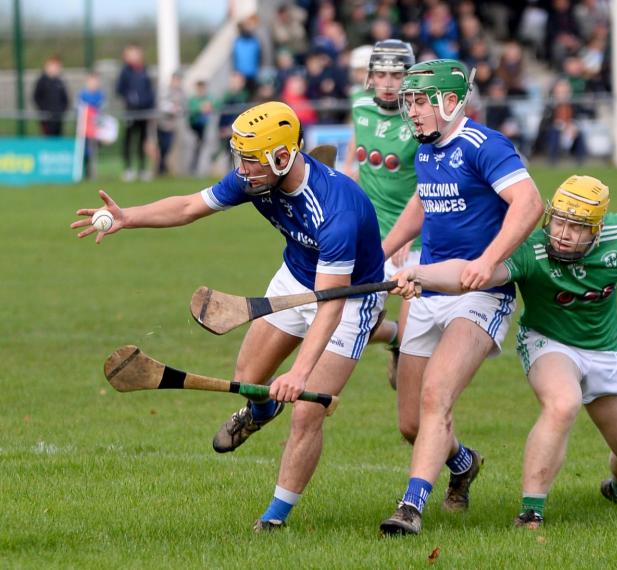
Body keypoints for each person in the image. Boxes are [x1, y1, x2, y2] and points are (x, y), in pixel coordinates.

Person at [70, 101, 386, 532]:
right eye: (240, 157)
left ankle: (274, 518)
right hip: (296, 277)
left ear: (282, 157)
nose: (241, 169)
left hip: (348, 297)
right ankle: (261, 412)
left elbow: (329, 302)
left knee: (307, 411)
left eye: (250, 160)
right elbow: (188, 207)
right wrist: (129, 217)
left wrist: (300, 373)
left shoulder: (336, 211)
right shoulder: (255, 178)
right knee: (249, 375)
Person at [390, 175, 617, 530]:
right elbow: (472, 273)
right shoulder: (531, 249)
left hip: (609, 350)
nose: (564, 233)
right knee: (563, 403)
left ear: (597, 229)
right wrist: (422, 274)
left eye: (578, 227)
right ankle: (531, 513)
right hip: (548, 342)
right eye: (560, 221)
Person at [378, 59, 543, 535]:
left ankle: (410, 507)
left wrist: (488, 261)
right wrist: (379, 254)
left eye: (419, 102)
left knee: (437, 395)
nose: (411, 112)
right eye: (408, 103)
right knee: (412, 423)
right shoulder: (426, 149)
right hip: (429, 287)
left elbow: (530, 202)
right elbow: (422, 203)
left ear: (451, 102)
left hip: (480, 294)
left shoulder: (485, 145)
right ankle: (464, 463)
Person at [343, 39, 419, 388]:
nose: (388, 83)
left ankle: (405, 345)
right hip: (371, 235)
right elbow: (356, 147)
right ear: (370, 76)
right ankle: (395, 338)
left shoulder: (420, 117)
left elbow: (430, 181)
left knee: (416, 342)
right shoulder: (360, 106)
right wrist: (346, 174)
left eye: (397, 75)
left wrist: (406, 235)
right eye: (381, 74)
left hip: (414, 239)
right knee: (349, 322)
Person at [116, 44, 155, 182]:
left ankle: (142, 169)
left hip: (144, 112)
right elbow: (119, 89)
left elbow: (150, 91)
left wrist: (150, 107)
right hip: (131, 112)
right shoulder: (125, 72)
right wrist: (130, 98)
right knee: (129, 140)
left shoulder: (144, 70)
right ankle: (128, 169)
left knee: (142, 141)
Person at [156, 72, 185, 176]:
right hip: (163, 124)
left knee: (169, 146)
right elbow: (161, 105)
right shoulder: (165, 91)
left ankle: (164, 167)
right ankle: (161, 167)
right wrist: (172, 108)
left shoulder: (182, 92)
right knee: (163, 146)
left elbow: (183, 107)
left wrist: (178, 109)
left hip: (173, 125)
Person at [33, 56, 69, 137]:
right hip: (46, 118)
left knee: (58, 138)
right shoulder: (42, 81)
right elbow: (36, 97)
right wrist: (44, 110)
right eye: (54, 66)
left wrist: (62, 110)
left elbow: (65, 99)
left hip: (58, 117)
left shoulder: (59, 81)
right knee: (48, 138)